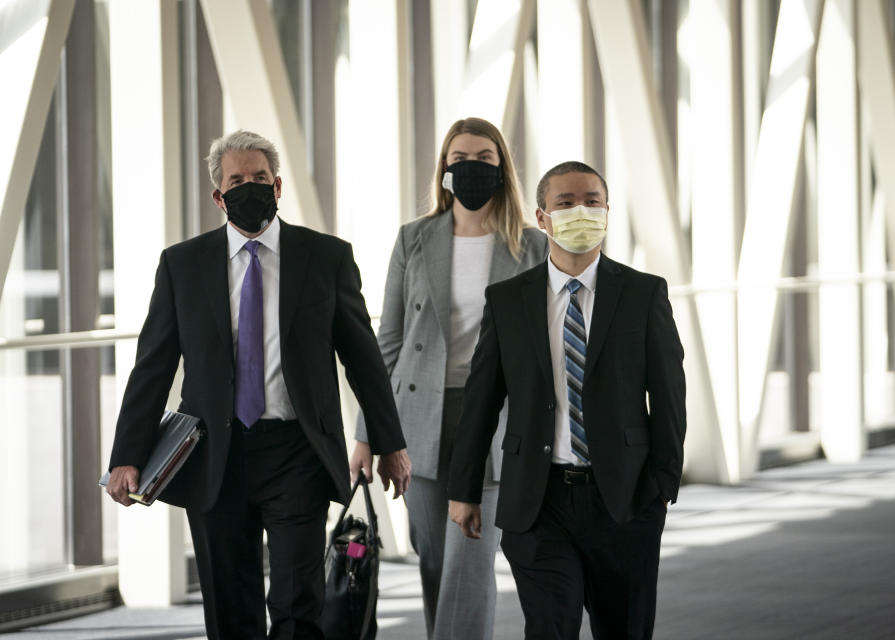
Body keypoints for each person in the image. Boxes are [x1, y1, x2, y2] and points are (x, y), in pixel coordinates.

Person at [105, 130, 412, 640]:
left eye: (260, 178)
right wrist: (126, 455)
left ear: (278, 187)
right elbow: (152, 366)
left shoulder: (325, 257)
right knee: (230, 609)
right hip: (213, 456)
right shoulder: (183, 264)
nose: (250, 187)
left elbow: (364, 358)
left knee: (297, 605)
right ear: (217, 195)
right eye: (237, 180)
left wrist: (390, 443)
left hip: (297, 453)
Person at [448, 161, 686, 639]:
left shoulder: (643, 294)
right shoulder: (508, 300)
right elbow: (481, 401)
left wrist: (661, 487)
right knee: (550, 628)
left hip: (624, 500)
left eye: (591, 201)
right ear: (542, 217)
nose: (581, 211)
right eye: (566, 203)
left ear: (607, 210)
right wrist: (464, 488)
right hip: (539, 502)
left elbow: (669, 398)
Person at [350, 117, 549, 639]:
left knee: (470, 561)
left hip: (496, 420)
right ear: (444, 169)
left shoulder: (531, 247)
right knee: (435, 561)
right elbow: (387, 345)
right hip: (420, 420)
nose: (471, 167)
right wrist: (366, 433)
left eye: (484, 158)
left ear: (502, 168)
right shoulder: (414, 240)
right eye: (460, 157)